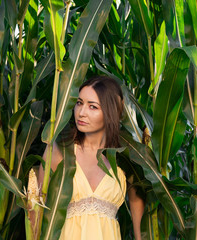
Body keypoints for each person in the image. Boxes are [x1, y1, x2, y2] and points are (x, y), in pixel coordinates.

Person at [38, 76, 145, 239]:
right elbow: (36, 208)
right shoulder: (59, 150)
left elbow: (138, 208)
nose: (81, 113)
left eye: (92, 107)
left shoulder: (125, 157)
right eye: (79, 103)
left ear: (111, 111)